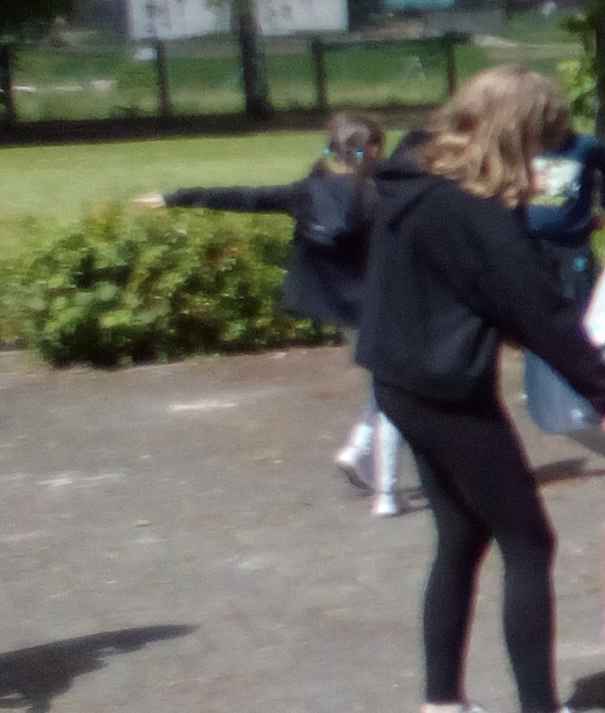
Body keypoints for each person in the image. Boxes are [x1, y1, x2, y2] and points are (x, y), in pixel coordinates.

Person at [358, 66, 605, 713]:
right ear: (519, 133)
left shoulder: (412, 177)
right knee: (529, 542)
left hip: (398, 382)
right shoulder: (474, 212)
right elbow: (541, 315)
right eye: (543, 138)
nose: (546, 155)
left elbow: (476, 293)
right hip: (447, 393)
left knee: (460, 536)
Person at [141, 112, 409, 513]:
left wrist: (175, 197)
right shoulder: (384, 195)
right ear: (372, 149)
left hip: (338, 310)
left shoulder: (307, 192)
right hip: (382, 306)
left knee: (384, 387)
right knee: (396, 394)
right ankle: (383, 490)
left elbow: (245, 198)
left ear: (332, 148)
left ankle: (359, 451)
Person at [524, 118, 605, 304]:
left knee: (581, 300)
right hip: (532, 239)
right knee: (535, 300)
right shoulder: (526, 145)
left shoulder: (584, 146)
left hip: (574, 240)